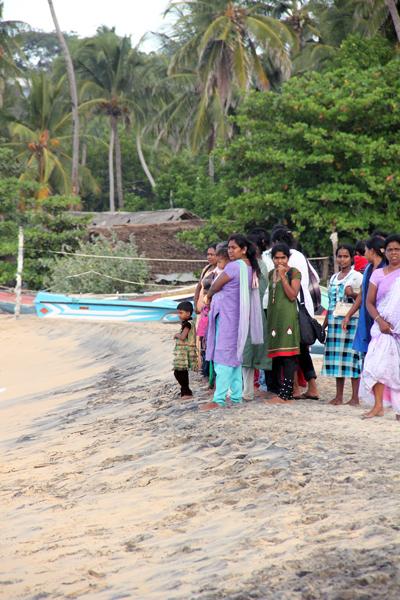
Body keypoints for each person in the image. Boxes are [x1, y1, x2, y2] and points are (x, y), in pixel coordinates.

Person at [201, 234, 263, 410]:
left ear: (243, 250)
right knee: (235, 358)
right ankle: (236, 396)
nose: (230, 251)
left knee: (223, 357)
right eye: (228, 248)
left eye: (233, 248)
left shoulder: (235, 266)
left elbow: (215, 285)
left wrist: (209, 296)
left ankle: (219, 399)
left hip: (228, 316)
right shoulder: (250, 266)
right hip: (238, 316)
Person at [270, 225, 319, 399]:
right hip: (305, 305)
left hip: (294, 309)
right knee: (302, 350)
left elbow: (290, 292)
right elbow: (316, 278)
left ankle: (296, 389)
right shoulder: (301, 256)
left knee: (292, 351)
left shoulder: (285, 262)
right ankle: (311, 387)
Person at [359, 234, 400, 420]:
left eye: (397, 249)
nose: (393, 253)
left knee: (396, 369)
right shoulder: (377, 274)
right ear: (385, 251)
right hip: (382, 329)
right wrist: (380, 321)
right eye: (390, 249)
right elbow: (369, 302)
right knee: (376, 365)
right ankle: (378, 406)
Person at [322, 244, 363, 404]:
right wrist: (324, 325)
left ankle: (355, 397)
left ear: (351, 258)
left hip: (351, 323)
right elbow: (331, 304)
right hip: (335, 324)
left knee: (352, 359)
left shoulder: (356, 276)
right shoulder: (333, 278)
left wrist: (351, 293)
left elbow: (361, 299)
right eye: (339, 256)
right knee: (337, 359)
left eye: (345, 256)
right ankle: (338, 396)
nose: (342, 259)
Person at [265, 243, 301, 403]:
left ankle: (287, 394)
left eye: (283, 257)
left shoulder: (294, 272)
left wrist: (283, 278)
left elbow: (292, 295)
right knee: (277, 356)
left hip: (287, 317)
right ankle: (279, 391)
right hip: (274, 318)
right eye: (276, 258)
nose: (280, 261)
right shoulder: (270, 273)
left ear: (288, 258)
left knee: (288, 355)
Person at [342, 236, 386, 361]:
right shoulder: (367, 269)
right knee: (366, 355)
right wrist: (348, 315)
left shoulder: (386, 269)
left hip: (380, 316)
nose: (364, 253)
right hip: (365, 316)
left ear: (372, 251)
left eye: (366, 250)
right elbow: (363, 293)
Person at [241, 232, 271, 401]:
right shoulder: (256, 265)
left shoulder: (258, 266)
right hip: (254, 312)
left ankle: (247, 389)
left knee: (249, 350)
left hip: (255, 313)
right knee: (248, 351)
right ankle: (247, 388)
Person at [173, 301, 197, 399]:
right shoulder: (188, 322)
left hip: (185, 352)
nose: (179, 315)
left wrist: (176, 335)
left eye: (181, 313)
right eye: (178, 313)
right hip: (184, 351)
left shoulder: (188, 324)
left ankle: (186, 392)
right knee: (181, 372)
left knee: (179, 372)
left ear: (188, 313)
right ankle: (184, 391)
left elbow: (183, 337)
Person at [193, 244, 218, 314]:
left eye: (212, 254)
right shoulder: (206, 268)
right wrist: (195, 304)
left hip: (209, 309)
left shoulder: (219, 271)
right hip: (200, 308)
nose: (209, 257)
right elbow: (199, 287)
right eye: (208, 254)